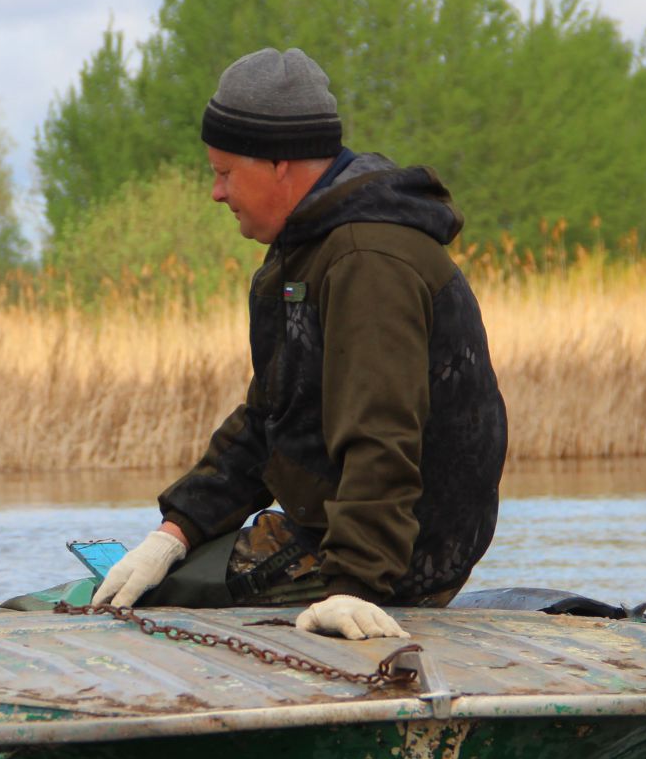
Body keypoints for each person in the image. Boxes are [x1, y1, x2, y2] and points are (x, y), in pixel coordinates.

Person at [93, 48, 506, 640]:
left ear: (279, 164)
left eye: (225, 171)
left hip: (397, 558)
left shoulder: (368, 261)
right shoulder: (310, 251)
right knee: (154, 576)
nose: (216, 192)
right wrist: (173, 533)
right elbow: (269, 421)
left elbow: (382, 440)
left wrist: (354, 591)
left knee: (144, 609)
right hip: (331, 532)